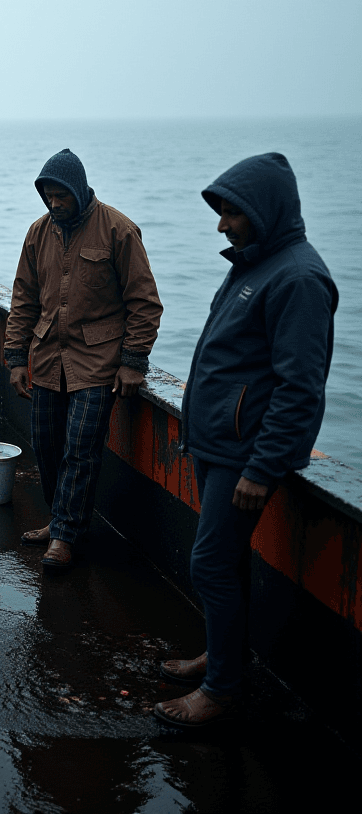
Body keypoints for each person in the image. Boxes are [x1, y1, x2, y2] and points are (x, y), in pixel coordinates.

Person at [154, 153, 337, 729]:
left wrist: (262, 468)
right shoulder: (257, 263)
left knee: (209, 563)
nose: (222, 225)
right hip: (217, 447)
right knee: (223, 564)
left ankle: (223, 689)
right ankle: (222, 654)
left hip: (243, 458)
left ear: (266, 210)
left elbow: (300, 387)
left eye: (232, 213)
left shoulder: (299, 278)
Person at [5, 148, 163, 573]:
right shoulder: (38, 233)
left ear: (79, 190)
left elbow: (145, 303)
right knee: (46, 443)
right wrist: (16, 357)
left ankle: (65, 536)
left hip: (97, 362)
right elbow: (22, 299)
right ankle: (59, 520)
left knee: (81, 449)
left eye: (62, 197)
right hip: (47, 358)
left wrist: (133, 362)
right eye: (48, 197)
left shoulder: (118, 230)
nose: (54, 204)